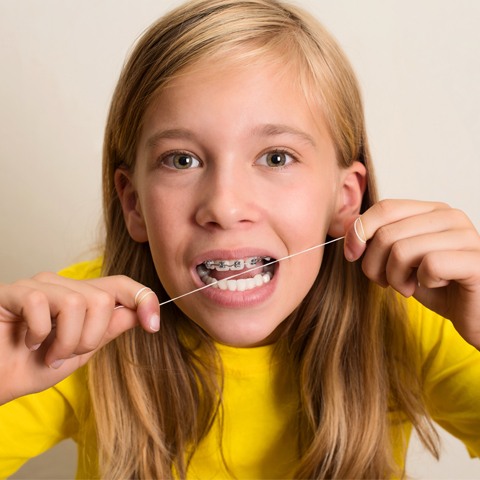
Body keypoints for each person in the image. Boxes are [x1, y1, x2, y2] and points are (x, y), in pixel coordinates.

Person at [1, 0, 479, 478]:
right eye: (182, 160)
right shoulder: (74, 332)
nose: (225, 207)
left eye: (275, 157)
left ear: (344, 198)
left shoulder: (410, 317)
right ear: (133, 203)